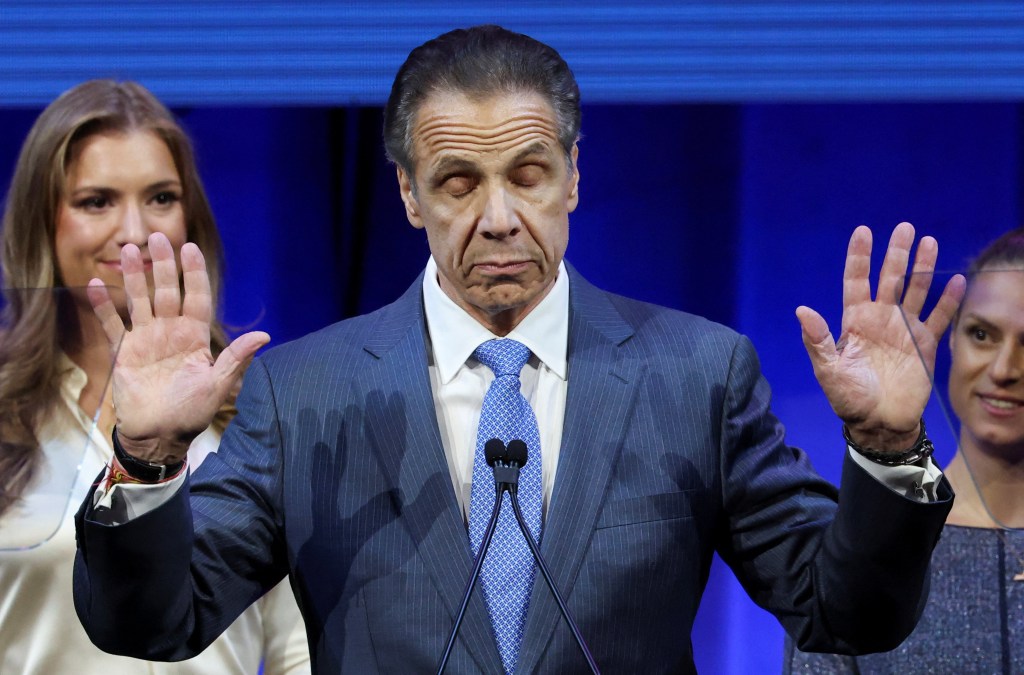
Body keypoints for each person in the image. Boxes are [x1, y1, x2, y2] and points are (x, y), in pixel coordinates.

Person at [73, 26, 965, 673]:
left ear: (575, 176)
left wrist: (886, 451)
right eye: (459, 182)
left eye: (528, 175)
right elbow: (156, 624)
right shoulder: (305, 393)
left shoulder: (697, 374)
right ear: (410, 195)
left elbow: (844, 612)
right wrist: (146, 460)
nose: (498, 218)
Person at [0, 79, 311, 674]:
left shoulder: (260, 413)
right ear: (44, 221)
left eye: (161, 197)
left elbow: (299, 647)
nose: (135, 230)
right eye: (97, 201)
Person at [786, 227, 1024, 673]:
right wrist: (887, 440)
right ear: (951, 339)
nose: (1004, 369)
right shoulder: (864, 552)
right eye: (981, 334)